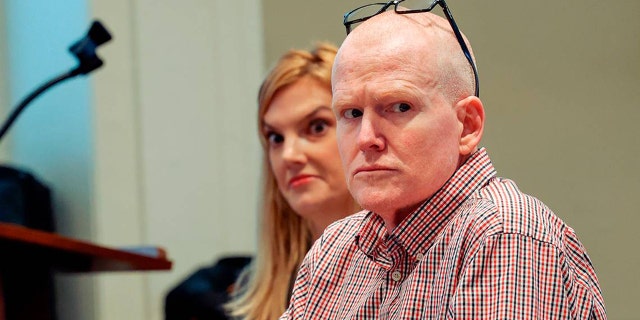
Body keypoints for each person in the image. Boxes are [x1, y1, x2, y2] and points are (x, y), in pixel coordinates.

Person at [280, 2, 606, 319]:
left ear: (467, 125)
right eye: (351, 113)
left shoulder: (505, 232)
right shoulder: (334, 250)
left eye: (399, 107)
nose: (366, 139)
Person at [164, 42, 360, 320]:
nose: (288, 155)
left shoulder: (419, 273)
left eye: (316, 127)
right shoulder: (263, 293)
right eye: (275, 138)